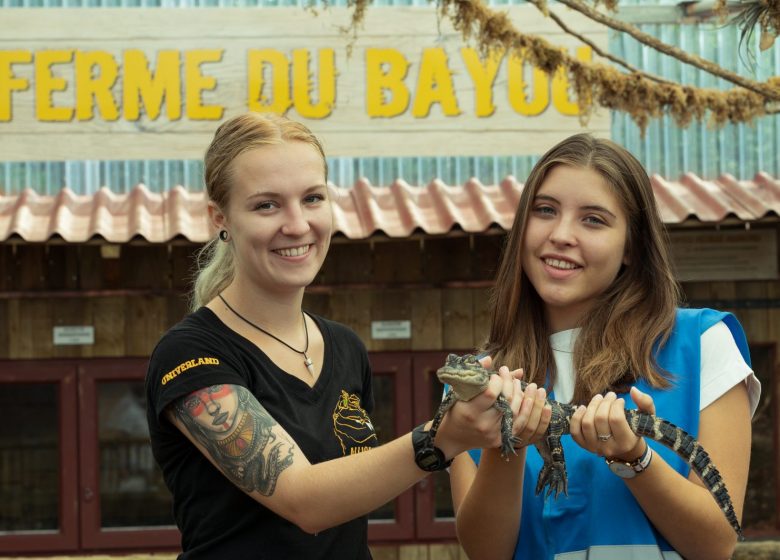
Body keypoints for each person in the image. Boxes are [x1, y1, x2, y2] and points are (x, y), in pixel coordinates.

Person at [145, 112, 516, 558]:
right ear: (219, 217)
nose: (297, 224)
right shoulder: (190, 354)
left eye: (312, 198)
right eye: (267, 205)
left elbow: (346, 514)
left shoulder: (345, 348)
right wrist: (442, 437)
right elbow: (304, 501)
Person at [450, 133, 761, 560]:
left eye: (593, 219)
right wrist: (511, 442)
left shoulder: (703, 343)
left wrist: (636, 459)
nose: (561, 234)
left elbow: (717, 545)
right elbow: (486, 553)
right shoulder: (480, 380)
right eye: (545, 210)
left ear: (631, 246)